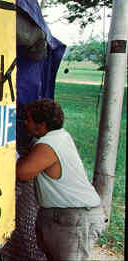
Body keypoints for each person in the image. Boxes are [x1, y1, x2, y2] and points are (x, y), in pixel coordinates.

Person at [16, 98, 106, 261]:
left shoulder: (49, 144)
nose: (25, 123)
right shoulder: (60, 136)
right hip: (68, 217)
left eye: (28, 120)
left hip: (75, 218)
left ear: (41, 125)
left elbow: (22, 173)